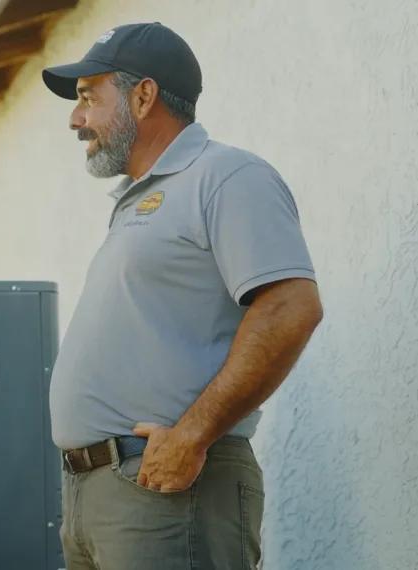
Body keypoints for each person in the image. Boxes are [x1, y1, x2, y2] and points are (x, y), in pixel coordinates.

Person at [42, 22, 323, 569]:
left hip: (168, 492)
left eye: (86, 98)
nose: (76, 120)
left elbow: (292, 306)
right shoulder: (140, 198)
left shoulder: (225, 175)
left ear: (143, 96)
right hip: (101, 497)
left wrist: (190, 437)